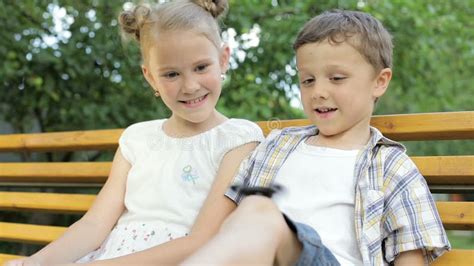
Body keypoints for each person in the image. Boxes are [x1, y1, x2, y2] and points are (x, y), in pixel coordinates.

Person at [183, 9, 451, 266]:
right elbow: (229, 227)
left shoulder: (392, 168)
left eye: (336, 78)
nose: (318, 91)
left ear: (379, 82)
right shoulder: (276, 146)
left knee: (258, 211)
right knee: (252, 211)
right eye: (307, 80)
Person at [5, 0, 263, 265]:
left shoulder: (237, 140)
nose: (190, 85)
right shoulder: (137, 139)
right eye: (171, 74)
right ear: (150, 77)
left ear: (223, 60)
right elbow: (95, 224)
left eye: (201, 67)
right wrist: (36, 262)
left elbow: (203, 240)